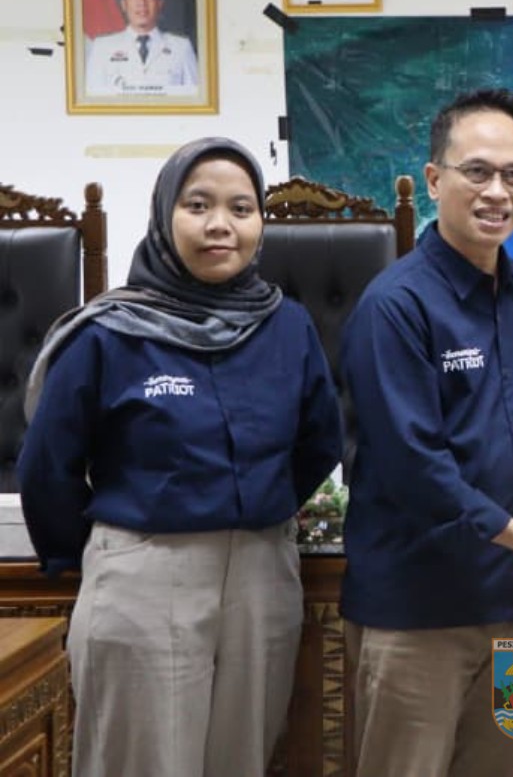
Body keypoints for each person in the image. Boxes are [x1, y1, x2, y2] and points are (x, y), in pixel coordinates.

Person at [18, 137, 344, 777]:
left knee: (243, 761)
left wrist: (260, 508)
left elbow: (319, 441)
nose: (221, 224)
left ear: (260, 223)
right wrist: (106, 554)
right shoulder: (109, 332)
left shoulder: (287, 325)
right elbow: (47, 465)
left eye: (241, 208)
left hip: (262, 574)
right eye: (198, 205)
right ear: (164, 214)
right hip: (143, 572)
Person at [339, 88, 513, 777]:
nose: (497, 192)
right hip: (420, 612)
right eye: (478, 171)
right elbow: (414, 468)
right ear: (435, 179)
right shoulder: (395, 305)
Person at [83, 0, 200, 94]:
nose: (142, 3)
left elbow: (194, 99)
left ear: (159, 3)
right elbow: (93, 100)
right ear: (124, 4)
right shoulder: (102, 48)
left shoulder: (181, 48)